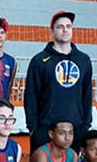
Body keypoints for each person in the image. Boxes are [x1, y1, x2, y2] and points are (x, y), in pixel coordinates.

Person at [24, 11, 93, 151]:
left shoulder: (83, 60)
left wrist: (85, 125)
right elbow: (31, 96)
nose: (65, 30)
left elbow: (87, 94)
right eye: (60, 27)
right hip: (45, 130)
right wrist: (33, 129)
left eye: (68, 26)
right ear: (52, 31)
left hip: (75, 130)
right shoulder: (39, 61)